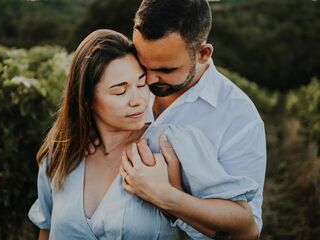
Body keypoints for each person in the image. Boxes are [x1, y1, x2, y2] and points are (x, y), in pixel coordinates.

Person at [28, 29, 260, 240]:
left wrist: (167, 196)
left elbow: (245, 231)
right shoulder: (61, 154)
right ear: (87, 99)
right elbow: (46, 230)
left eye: (141, 85)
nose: (139, 101)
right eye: (120, 90)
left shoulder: (171, 144)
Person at [118, 0, 267, 239]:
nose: (149, 79)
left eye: (166, 70)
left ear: (203, 54)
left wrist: (168, 197)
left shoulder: (239, 117)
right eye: (142, 64)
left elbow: (246, 231)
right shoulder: (119, 79)